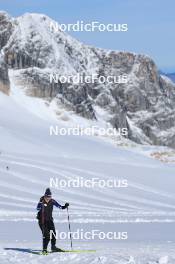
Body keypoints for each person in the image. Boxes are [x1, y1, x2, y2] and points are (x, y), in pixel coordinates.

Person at [36, 188, 69, 253]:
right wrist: (40, 202)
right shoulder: (42, 201)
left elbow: (59, 206)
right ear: (44, 196)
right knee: (47, 236)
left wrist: (65, 206)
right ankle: (44, 249)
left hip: (50, 220)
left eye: (49, 197)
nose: (48, 198)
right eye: (47, 196)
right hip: (42, 221)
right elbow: (37, 208)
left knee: (53, 234)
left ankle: (53, 247)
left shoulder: (52, 201)